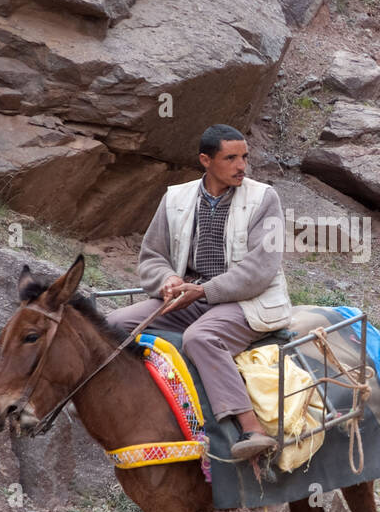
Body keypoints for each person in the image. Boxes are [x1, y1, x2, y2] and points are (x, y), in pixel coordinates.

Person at [109, 124, 292, 459]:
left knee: (201, 337)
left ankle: (251, 427)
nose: (241, 166)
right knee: (113, 326)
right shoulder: (175, 198)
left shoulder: (265, 198)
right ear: (206, 160)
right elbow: (152, 256)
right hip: (189, 297)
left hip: (247, 301)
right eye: (231, 158)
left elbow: (260, 270)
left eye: (245, 157)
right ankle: (131, 409)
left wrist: (203, 290)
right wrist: (166, 279)